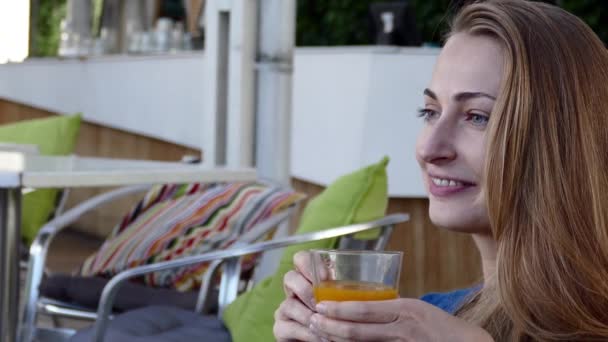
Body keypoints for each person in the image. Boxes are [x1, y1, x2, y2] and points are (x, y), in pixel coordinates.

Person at [273, 0, 608, 340]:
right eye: (430, 112)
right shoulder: (433, 318)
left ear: (561, 142)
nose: (428, 149)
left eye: (477, 116)